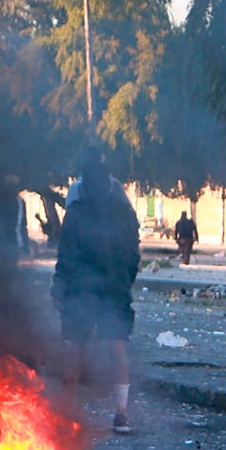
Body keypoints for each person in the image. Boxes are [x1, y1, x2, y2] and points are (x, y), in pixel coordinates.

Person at [52, 148, 141, 434]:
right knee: (117, 346)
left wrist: (60, 286)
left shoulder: (75, 211)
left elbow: (65, 254)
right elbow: (133, 251)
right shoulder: (124, 211)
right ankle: (121, 413)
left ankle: (67, 414)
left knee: (74, 348)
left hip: (81, 289)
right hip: (115, 287)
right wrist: (126, 279)